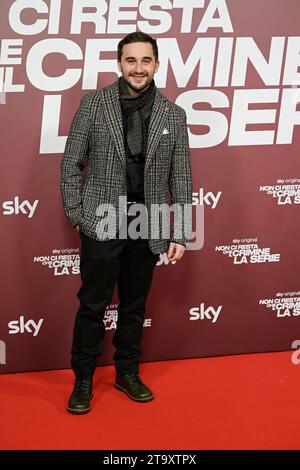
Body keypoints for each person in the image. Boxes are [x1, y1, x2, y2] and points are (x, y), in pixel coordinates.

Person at [60, 32, 193, 414]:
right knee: (93, 304)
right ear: (120, 63)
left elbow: (180, 177)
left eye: (146, 60)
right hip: (102, 220)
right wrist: (76, 213)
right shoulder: (94, 104)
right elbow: (71, 163)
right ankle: (82, 379)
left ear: (156, 64)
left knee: (134, 305)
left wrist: (180, 229)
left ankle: (127, 373)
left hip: (147, 224)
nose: (138, 68)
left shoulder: (173, 114)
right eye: (131, 60)